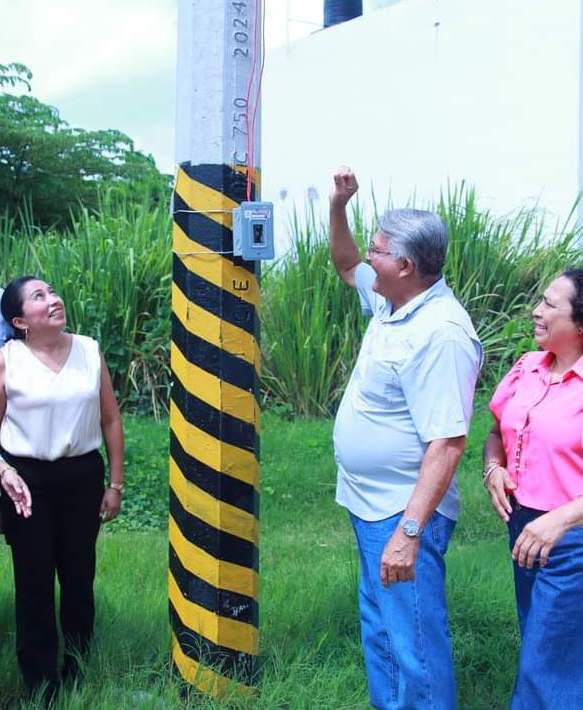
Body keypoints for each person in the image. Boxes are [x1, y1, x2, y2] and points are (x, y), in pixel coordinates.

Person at [330, 168, 482, 709]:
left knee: (414, 644)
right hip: (370, 506)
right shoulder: (392, 299)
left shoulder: (440, 334)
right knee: (383, 633)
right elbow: (346, 263)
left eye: (378, 250)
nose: (369, 257)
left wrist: (410, 532)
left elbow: (448, 444)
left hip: (401, 512)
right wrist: (339, 206)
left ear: (405, 266)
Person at [0, 275, 124, 699]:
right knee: (33, 582)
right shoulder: (8, 360)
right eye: (39, 297)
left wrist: (116, 484)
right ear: (20, 321)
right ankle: (41, 684)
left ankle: (77, 670)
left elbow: (110, 419)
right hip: (25, 483)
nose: (53, 299)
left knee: (78, 578)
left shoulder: (88, 350)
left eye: (52, 292)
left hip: (81, 478)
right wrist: (3, 471)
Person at [484, 268, 583, 709]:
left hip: (570, 536)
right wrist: (493, 468)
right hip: (524, 530)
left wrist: (559, 520)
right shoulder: (527, 367)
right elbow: (494, 433)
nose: (536, 311)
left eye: (549, 305)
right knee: (549, 648)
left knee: (543, 664)